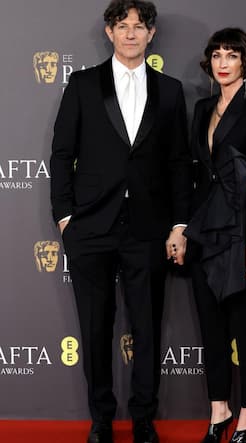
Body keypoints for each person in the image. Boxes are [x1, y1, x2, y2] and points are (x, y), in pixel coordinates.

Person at [50, 1, 191, 442]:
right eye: (122, 26)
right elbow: (61, 155)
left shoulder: (170, 91)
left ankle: (145, 419)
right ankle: (101, 420)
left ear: (151, 35)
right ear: (109, 32)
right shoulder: (82, 84)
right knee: (94, 327)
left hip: (148, 227)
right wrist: (65, 217)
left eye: (139, 26)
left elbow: (178, 163)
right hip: (90, 226)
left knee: (147, 326)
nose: (131, 33)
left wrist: (179, 224)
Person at [184, 28, 246, 443]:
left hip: (240, 233)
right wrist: (184, 228)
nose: (223, 62)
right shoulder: (202, 107)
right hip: (205, 232)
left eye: (232, 55)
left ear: (245, 61)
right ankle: (219, 409)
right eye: (217, 55)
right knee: (210, 325)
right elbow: (195, 176)